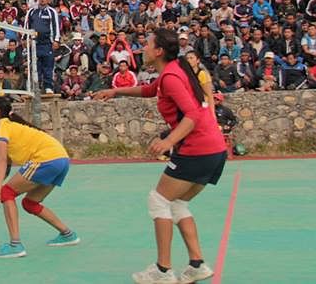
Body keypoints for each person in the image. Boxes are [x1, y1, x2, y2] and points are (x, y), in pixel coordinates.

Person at [94, 28, 226, 284]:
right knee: (176, 203)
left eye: (147, 44)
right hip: (213, 149)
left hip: (197, 149)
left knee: (158, 201)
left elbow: (193, 115)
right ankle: (196, 264)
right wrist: (115, 91)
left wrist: (168, 141)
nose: (141, 48)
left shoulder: (172, 76)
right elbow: (149, 90)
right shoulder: (172, 71)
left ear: (159, 51)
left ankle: (163, 270)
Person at [0, 95, 79, 258]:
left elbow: (2, 161)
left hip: (45, 159)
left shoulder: (0, 127)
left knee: (6, 193)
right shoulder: (9, 127)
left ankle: (15, 245)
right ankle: (68, 234)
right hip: (61, 159)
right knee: (30, 203)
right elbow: (3, 172)